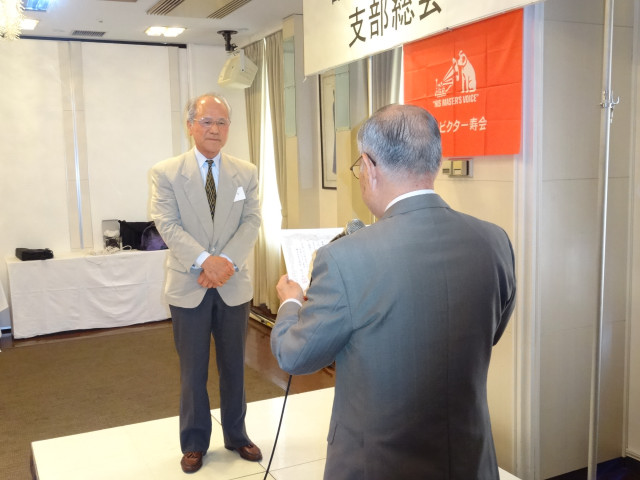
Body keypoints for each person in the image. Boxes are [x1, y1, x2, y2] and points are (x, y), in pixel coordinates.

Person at [271, 104, 516, 480]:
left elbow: (296, 355)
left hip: (378, 464)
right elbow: (490, 331)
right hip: (468, 459)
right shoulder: (494, 240)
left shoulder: (343, 258)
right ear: (435, 162)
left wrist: (290, 302)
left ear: (369, 166)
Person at [150, 93, 262, 474]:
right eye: (207, 121)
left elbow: (252, 221)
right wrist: (205, 261)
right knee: (192, 371)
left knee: (235, 367)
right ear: (190, 126)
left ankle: (237, 434)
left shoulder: (246, 172)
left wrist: (225, 263)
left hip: (233, 282)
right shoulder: (166, 173)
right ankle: (195, 442)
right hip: (189, 284)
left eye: (222, 122)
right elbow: (167, 224)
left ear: (229, 128)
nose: (215, 129)